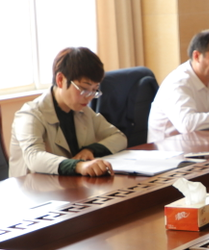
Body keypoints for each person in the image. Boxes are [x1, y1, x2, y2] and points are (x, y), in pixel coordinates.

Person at [9, 46, 127, 177]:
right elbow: (34, 158)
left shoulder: (83, 111)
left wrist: (91, 150)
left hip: (67, 184)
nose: (89, 97)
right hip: (32, 186)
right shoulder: (30, 114)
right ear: (60, 80)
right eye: (84, 89)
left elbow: (119, 137)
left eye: (94, 90)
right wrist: (78, 166)